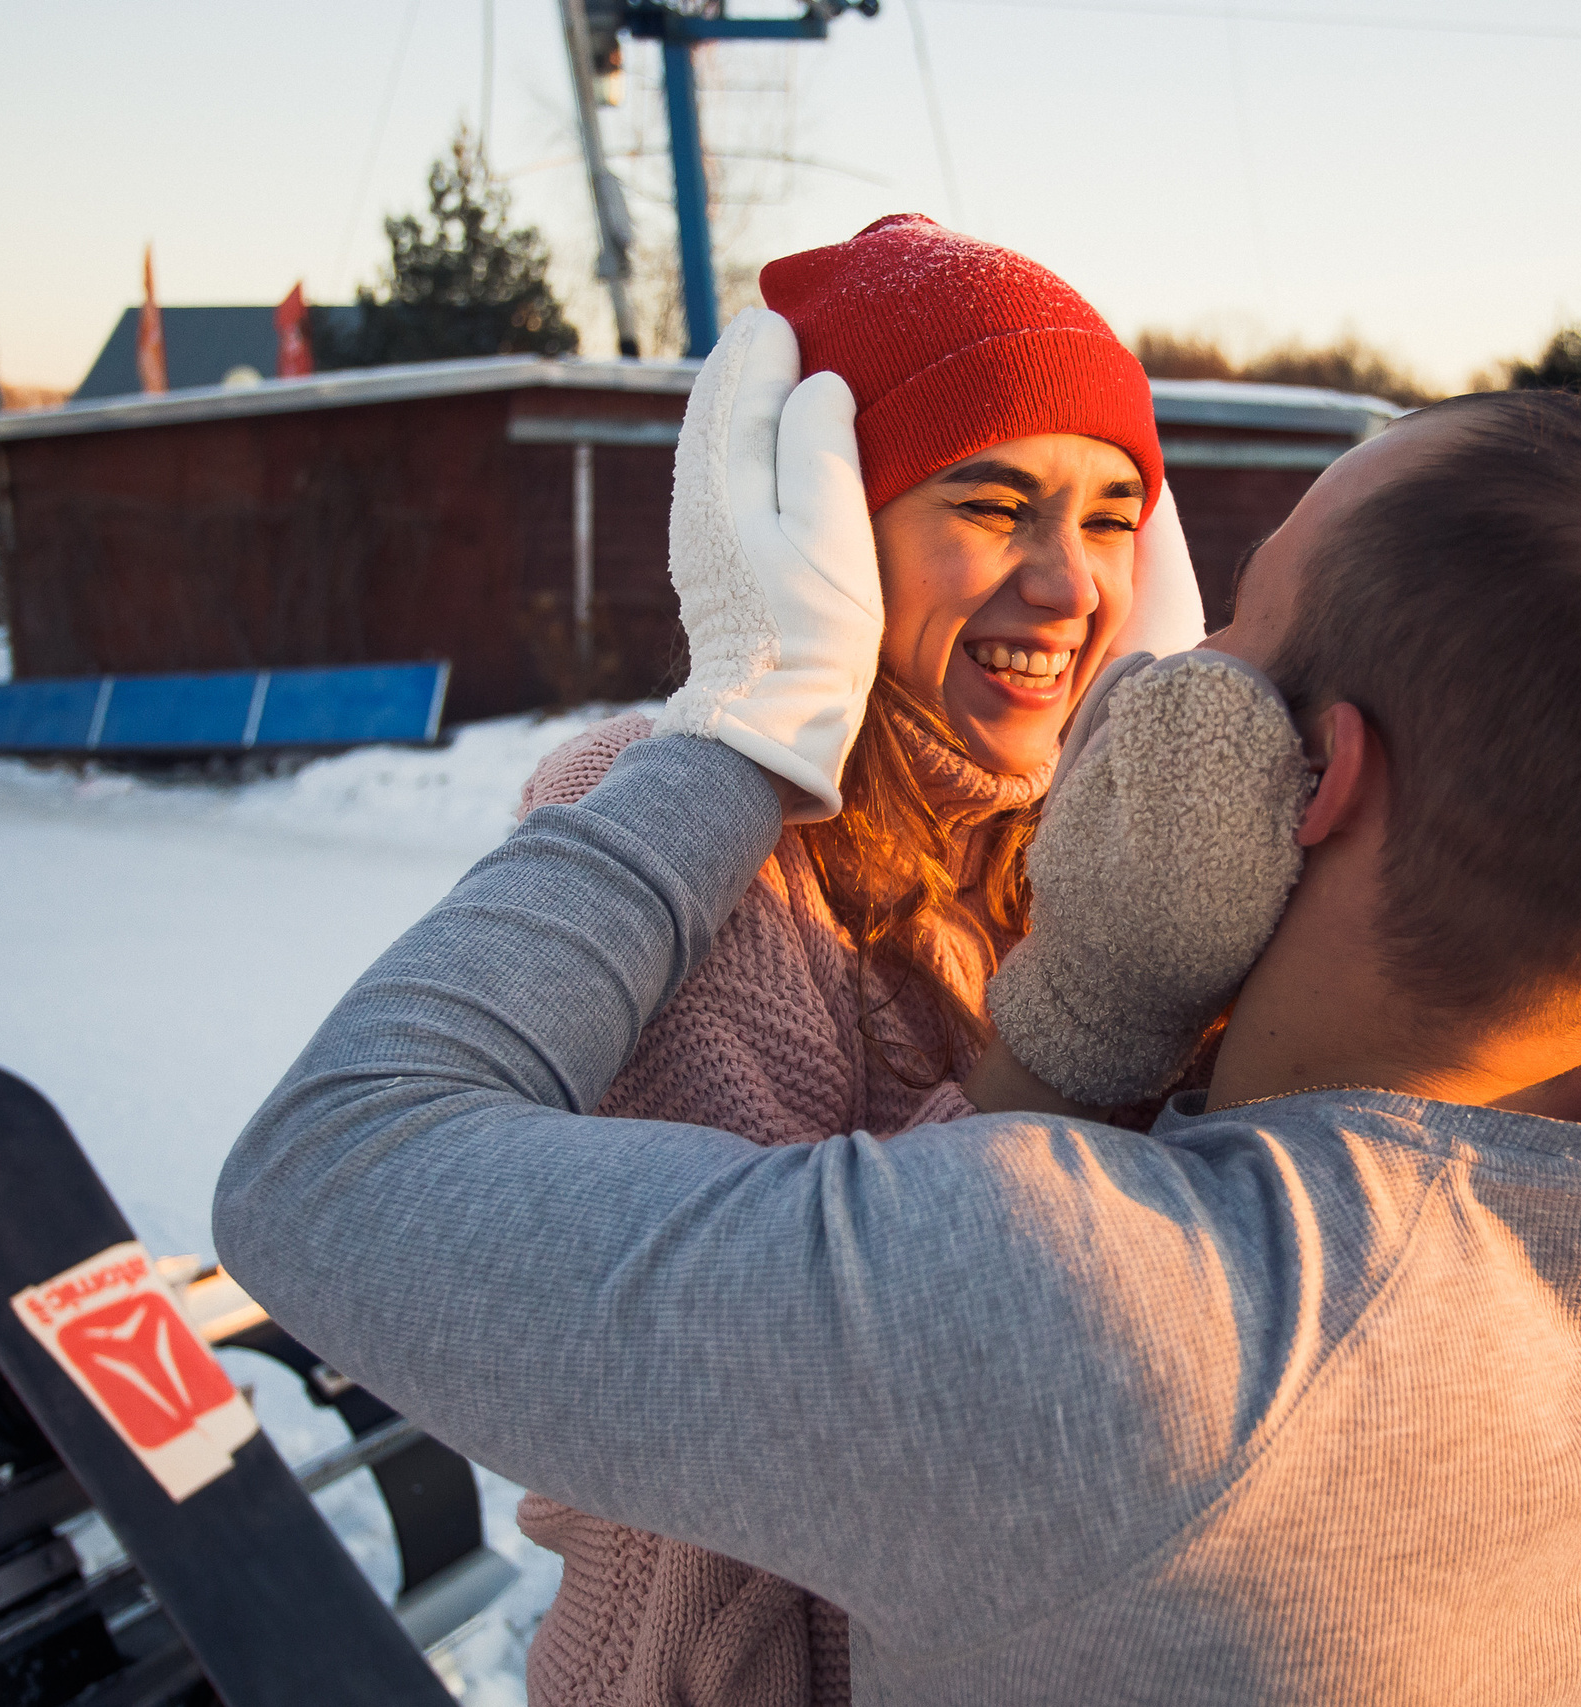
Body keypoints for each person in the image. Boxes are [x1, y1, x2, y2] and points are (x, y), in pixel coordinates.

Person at [216, 376, 1581, 1703]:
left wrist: (738, 733)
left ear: (1321, 780)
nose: (1147, 657)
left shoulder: (1088, 1333)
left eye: (1230, 638)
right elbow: (1543, 878)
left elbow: (331, 1168)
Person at [506, 216, 1205, 1706]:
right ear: (825, 522)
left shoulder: (1096, 825)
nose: (1070, 587)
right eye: (994, 504)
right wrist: (1103, 999)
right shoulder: (675, 819)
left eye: (1111, 518)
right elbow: (789, 1362)